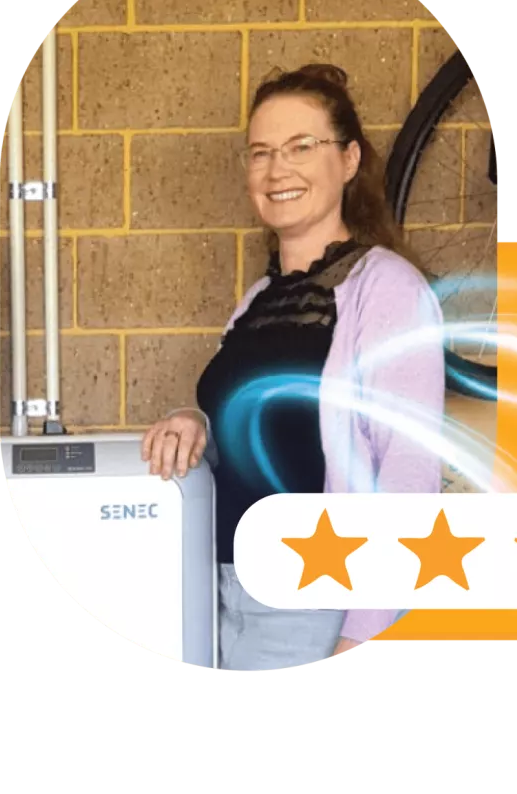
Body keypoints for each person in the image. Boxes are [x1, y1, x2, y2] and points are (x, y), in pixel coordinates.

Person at [139, 63, 446, 672]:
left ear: (349, 160)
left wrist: (364, 632)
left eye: (302, 146)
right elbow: (250, 431)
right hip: (221, 593)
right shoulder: (259, 299)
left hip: (315, 604)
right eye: (261, 153)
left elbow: (410, 472)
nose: (278, 169)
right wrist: (193, 420)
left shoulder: (386, 288)